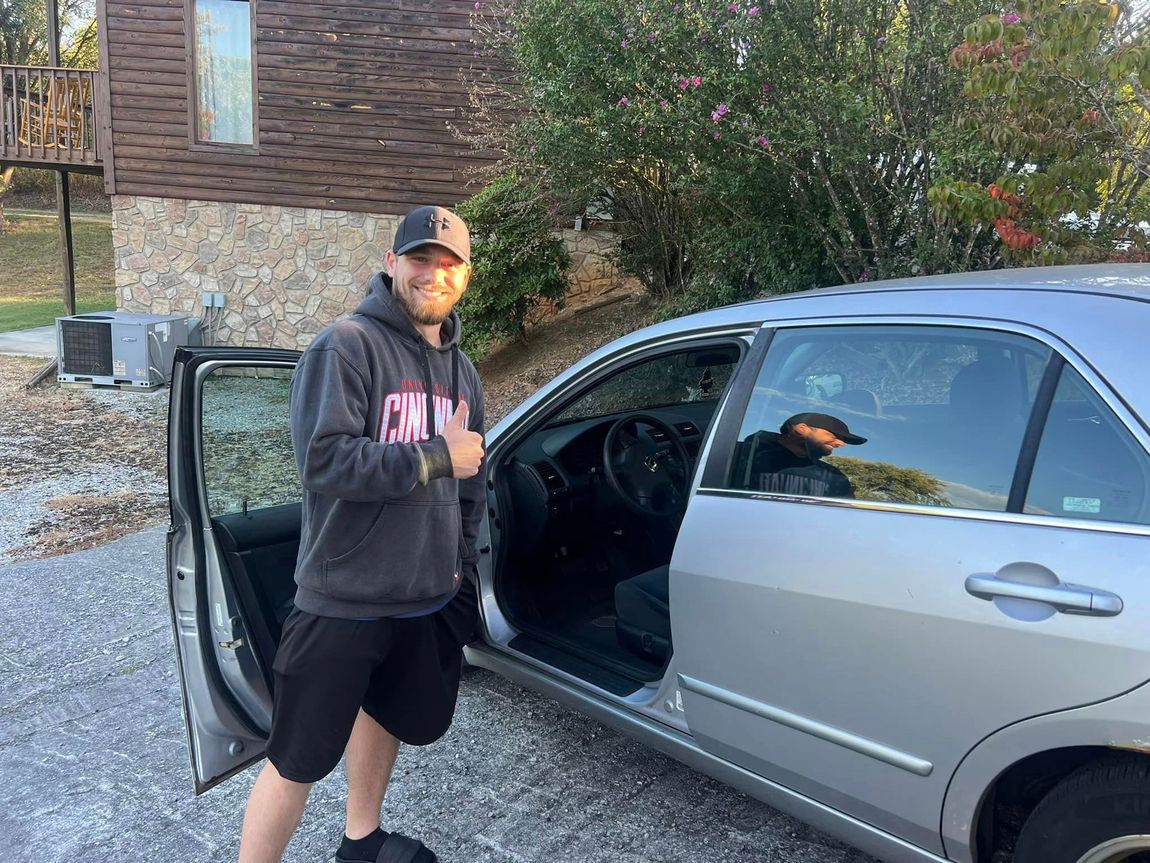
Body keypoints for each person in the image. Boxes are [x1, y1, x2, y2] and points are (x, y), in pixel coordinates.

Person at [237, 205, 487, 863]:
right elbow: (324, 460)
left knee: (386, 716)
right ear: (392, 265)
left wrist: (463, 562)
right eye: (420, 259)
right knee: (296, 757)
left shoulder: (464, 371)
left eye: (448, 264)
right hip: (343, 598)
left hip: (422, 598)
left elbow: (471, 482)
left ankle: (362, 837)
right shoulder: (345, 345)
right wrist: (436, 453)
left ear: (465, 276)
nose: (433, 274)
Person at [740, 412, 866, 498]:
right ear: (801, 429)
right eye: (834, 436)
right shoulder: (742, 453)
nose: (841, 443)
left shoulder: (835, 477)